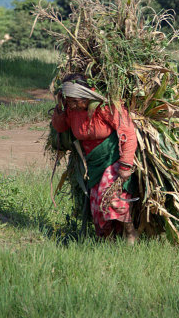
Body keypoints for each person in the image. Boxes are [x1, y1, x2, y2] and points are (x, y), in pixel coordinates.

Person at [52, 73, 138, 244]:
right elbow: (60, 127)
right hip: (92, 162)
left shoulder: (105, 107)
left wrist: (126, 164)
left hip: (112, 157)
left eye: (77, 101)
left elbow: (128, 131)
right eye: (70, 101)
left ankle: (129, 231)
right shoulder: (70, 111)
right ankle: (109, 240)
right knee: (97, 204)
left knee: (111, 197)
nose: (74, 106)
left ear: (87, 95)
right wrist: (61, 108)